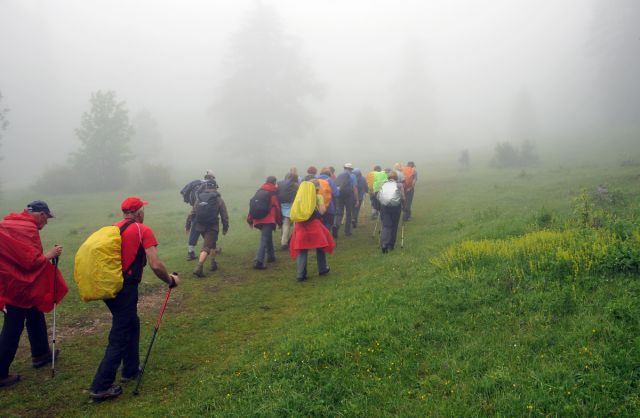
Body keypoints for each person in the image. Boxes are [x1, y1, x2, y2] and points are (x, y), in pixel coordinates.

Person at [90, 197, 180, 401]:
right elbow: (155, 265)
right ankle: (100, 386)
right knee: (120, 333)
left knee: (132, 323)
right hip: (126, 288)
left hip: (109, 286)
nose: (144, 213)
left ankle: (130, 369)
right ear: (139, 212)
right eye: (143, 209)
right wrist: (170, 280)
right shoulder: (142, 229)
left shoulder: (115, 228)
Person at [0, 201, 67, 388]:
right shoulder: (28, 229)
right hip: (17, 287)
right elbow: (31, 261)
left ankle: (41, 354)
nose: (46, 224)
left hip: (9, 280)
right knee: (12, 328)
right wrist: (50, 254)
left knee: (35, 314)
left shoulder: (10, 223)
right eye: (47, 219)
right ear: (41, 214)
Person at [289, 180, 335, 281]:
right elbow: (322, 211)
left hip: (300, 226)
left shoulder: (299, 197)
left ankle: (301, 274)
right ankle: (322, 269)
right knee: (320, 246)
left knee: (302, 249)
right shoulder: (317, 196)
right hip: (314, 225)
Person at [191, 180, 230, 277]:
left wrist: (188, 225)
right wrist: (225, 227)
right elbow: (224, 215)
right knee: (207, 247)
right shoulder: (218, 199)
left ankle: (213, 263)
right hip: (212, 226)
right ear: (215, 187)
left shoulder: (199, 197)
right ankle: (199, 267)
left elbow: (193, 212)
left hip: (200, 226)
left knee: (212, 243)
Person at [247, 176, 282, 269]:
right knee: (264, 239)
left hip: (257, 219)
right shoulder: (272, 193)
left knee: (267, 236)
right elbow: (277, 208)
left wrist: (250, 220)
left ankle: (271, 256)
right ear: (274, 182)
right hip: (268, 219)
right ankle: (258, 261)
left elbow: (252, 205)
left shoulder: (259, 191)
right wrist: (279, 222)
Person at [184, 170, 216, 260]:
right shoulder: (211, 184)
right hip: (208, 212)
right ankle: (212, 249)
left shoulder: (197, 185)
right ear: (212, 177)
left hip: (196, 210)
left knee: (195, 231)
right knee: (211, 231)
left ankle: (190, 252)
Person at [378, 171, 406, 253]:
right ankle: (391, 245)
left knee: (386, 226)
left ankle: (384, 244)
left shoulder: (383, 184)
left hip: (385, 207)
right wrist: (404, 206)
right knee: (394, 226)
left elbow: (379, 196)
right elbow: (403, 197)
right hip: (396, 208)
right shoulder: (399, 185)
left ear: (388, 177)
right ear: (396, 178)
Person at [333, 163, 359, 238]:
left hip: (339, 195)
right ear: (351, 169)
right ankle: (347, 232)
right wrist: (357, 199)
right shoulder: (353, 176)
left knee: (339, 212)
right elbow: (355, 188)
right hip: (349, 196)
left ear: (344, 168)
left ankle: (336, 225)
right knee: (348, 213)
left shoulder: (339, 175)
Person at [277, 168, 299, 250]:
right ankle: (295, 241)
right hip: (293, 205)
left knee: (286, 225)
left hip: (283, 205)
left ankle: (284, 243)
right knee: (296, 225)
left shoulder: (280, 183)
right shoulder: (295, 185)